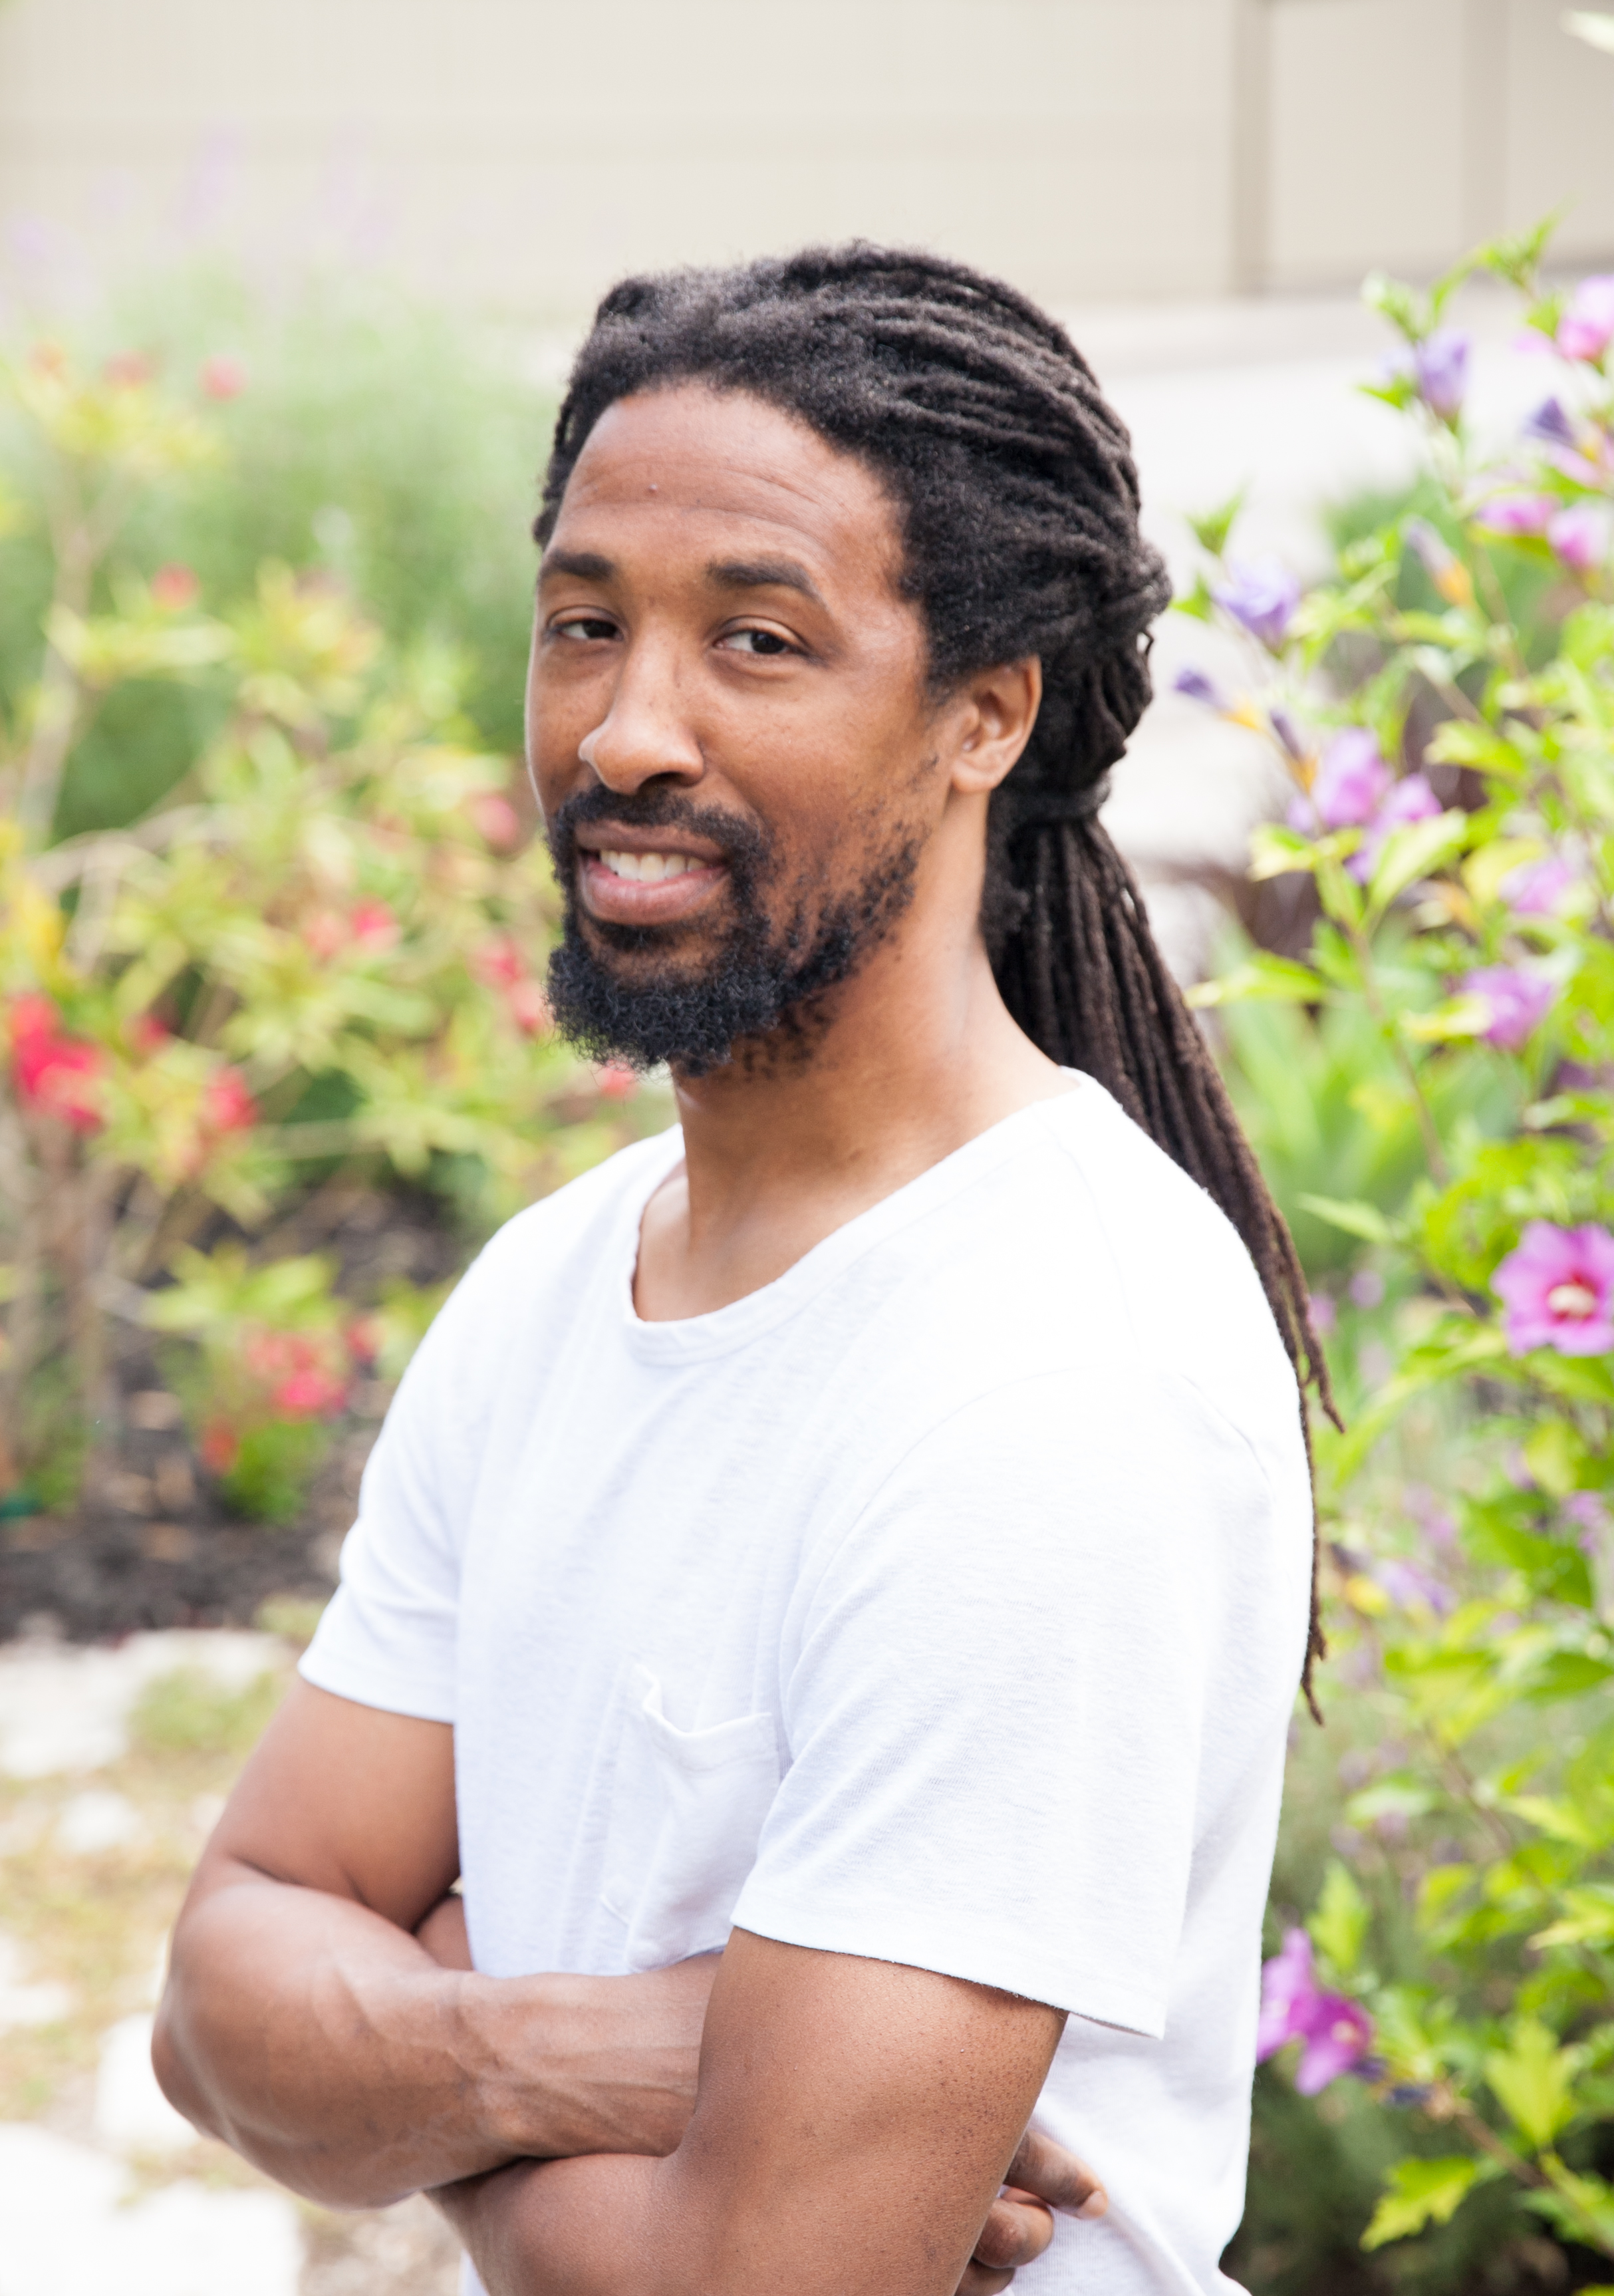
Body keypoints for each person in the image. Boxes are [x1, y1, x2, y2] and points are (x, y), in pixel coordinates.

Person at [154, 245, 1329, 2296]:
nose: (624, 733)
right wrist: (571, 2042)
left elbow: (750, 2285)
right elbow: (214, 2000)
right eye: (583, 625)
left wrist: (412, 2049)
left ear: (984, 715)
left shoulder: (1059, 1362)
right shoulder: (551, 1289)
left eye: (756, 643)